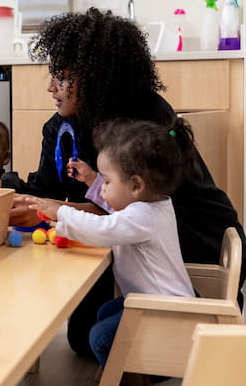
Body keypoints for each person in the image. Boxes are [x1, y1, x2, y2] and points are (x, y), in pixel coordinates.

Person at [0, 8, 246, 357]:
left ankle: (161, 353)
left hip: (188, 242)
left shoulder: (139, 128)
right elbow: (38, 195)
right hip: (122, 241)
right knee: (82, 338)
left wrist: (56, 211)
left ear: (96, 75)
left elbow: (133, 215)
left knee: (96, 340)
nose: (50, 86)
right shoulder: (61, 127)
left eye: (61, 76)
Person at [27, 118, 196, 374]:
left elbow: (103, 230)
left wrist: (61, 211)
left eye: (107, 181)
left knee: (101, 338)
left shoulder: (142, 216)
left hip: (165, 313)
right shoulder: (151, 206)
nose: (103, 189)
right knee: (107, 311)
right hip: (156, 302)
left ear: (136, 185)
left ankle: (131, 378)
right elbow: (115, 210)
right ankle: (131, 371)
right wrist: (93, 181)